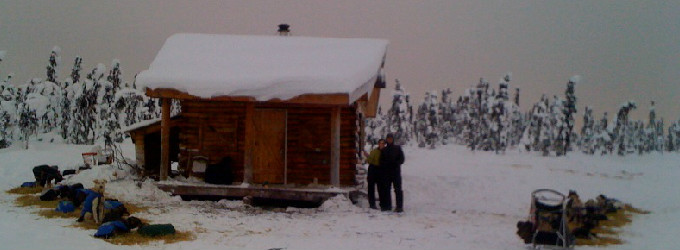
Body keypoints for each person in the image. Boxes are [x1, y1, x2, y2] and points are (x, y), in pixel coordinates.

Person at [380, 133, 405, 212]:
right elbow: (381, 161)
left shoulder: (397, 148)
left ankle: (399, 207)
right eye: (388, 139)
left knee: (398, 190)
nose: (389, 140)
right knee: (386, 189)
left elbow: (402, 159)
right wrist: (385, 165)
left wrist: (396, 163)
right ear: (386, 139)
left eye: (390, 138)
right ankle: (387, 206)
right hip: (387, 173)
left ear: (393, 139)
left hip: (396, 172)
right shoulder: (384, 150)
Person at [362, 139, 386, 210]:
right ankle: (372, 204)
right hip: (373, 169)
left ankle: (382, 204)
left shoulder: (386, 151)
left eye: (383, 143)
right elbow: (369, 160)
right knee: (371, 188)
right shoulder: (374, 151)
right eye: (380, 143)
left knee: (381, 188)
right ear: (378, 144)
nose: (381, 144)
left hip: (381, 170)